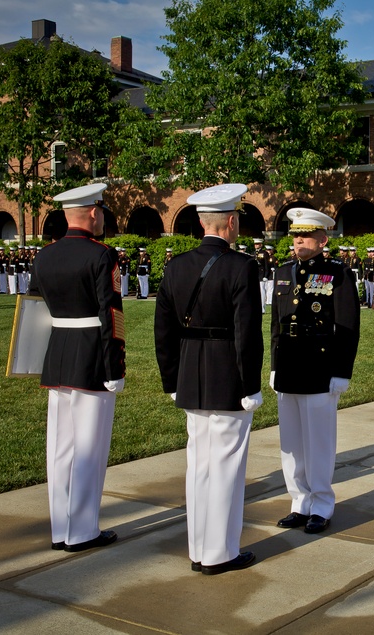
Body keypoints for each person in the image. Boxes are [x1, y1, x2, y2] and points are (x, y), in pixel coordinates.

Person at [155, 183, 263, 575]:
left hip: (190, 376)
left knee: (198, 466)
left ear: (202, 222)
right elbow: (246, 333)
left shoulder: (175, 266)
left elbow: (163, 330)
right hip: (228, 377)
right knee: (226, 468)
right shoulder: (242, 266)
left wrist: (171, 379)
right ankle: (220, 553)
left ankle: (199, 547)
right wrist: (250, 385)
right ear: (231, 222)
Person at [28, 182, 125, 553]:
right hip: (91, 357)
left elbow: (34, 310)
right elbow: (110, 314)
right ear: (92, 213)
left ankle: (60, 527)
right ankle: (82, 530)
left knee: (61, 448)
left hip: (57, 353)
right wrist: (115, 366)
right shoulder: (102, 255)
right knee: (89, 447)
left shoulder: (45, 255)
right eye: (101, 211)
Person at [270, 208, 360, 535]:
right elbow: (276, 325)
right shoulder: (282, 271)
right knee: (291, 442)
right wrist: (274, 366)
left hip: (321, 368)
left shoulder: (338, 273)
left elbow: (348, 326)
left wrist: (342, 371)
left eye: (305, 235)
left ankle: (321, 504)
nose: (298, 241)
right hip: (289, 367)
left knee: (318, 442)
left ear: (323, 239)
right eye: (295, 235)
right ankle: (299, 502)